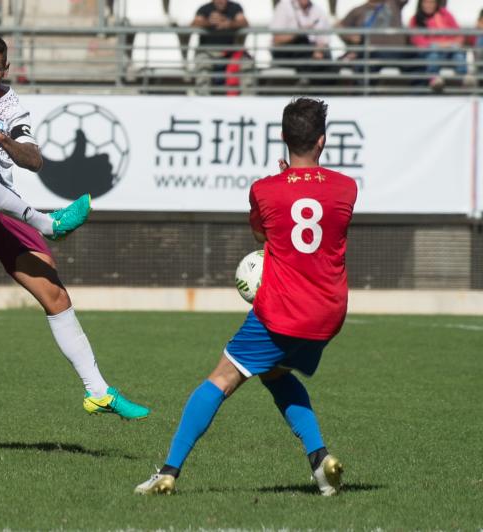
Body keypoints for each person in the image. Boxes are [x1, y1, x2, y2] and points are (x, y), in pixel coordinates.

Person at [0, 33, 151, 420]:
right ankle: (47, 223)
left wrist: (1, 137)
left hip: (2, 213)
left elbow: (34, 160)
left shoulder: (12, 107)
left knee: (56, 296)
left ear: (5, 70)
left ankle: (97, 391)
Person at [134, 97, 358, 496]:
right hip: (328, 313)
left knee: (220, 378)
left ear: (282, 138)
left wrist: (285, 180)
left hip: (282, 311)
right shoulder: (346, 188)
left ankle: (168, 471)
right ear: (322, 141)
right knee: (275, 373)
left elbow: (263, 236)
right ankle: (320, 461)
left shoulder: (264, 190)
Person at [408, 0, 471, 91]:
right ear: (421, 4)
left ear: (436, 3)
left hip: (449, 49)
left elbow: (458, 33)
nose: (429, 5)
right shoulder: (415, 19)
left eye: (432, 2)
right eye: (426, 2)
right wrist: (440, 44)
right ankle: (435, 80)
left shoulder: (445, 15)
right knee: (433, 53)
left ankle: (464, 78)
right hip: (430, 51)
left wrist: (452, 43)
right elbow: (419, 41)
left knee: (458, 54)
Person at [338, 0, 409, 76]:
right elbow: (339, 27)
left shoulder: (394, 3)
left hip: (395, 53)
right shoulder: (357, 11)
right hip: (369, 54)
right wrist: (350, 36)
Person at [191, 0, 248, 93]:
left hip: (231, 53)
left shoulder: (235, 7)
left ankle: (248, 101)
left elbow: (244, 22)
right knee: (203, 65)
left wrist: (228, 23)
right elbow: (194, 24)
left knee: (246, 63)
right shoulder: (204, 8)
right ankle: (203, 100)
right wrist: (210, 22)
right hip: (207, 52)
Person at [270, 0, 333, 81]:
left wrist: (318, 51)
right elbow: (277, 39)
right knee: (305, 52)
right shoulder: (284, 6)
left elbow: (324, 39)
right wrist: (299, 32)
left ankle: (309, 84)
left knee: (326, 58)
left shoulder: (318, 11)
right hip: (288, 51)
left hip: (311, 52)